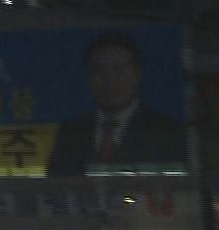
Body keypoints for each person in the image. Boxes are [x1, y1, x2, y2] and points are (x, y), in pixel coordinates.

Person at [45, 32, 187, 177]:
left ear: (137, 74)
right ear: (88, 76)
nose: (109, 81)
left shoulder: (166, 132)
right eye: (98, 71)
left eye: (119, 70)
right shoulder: (71, 132)